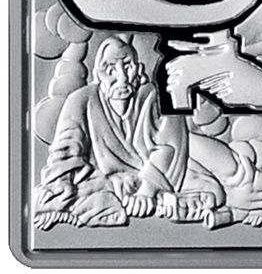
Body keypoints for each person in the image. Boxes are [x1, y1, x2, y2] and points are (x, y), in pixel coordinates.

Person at [34, 35, 189, 230]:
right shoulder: (81, 100)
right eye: (110, 70)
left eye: (128, 67)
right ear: (98, 74)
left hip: (150, 183)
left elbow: (169, 145)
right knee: (49, 200)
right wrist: (63, 180)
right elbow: (66, 149)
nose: (122, 78)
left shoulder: (154, 97)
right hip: (102, 182)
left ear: (139, 69)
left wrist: (147, 191)